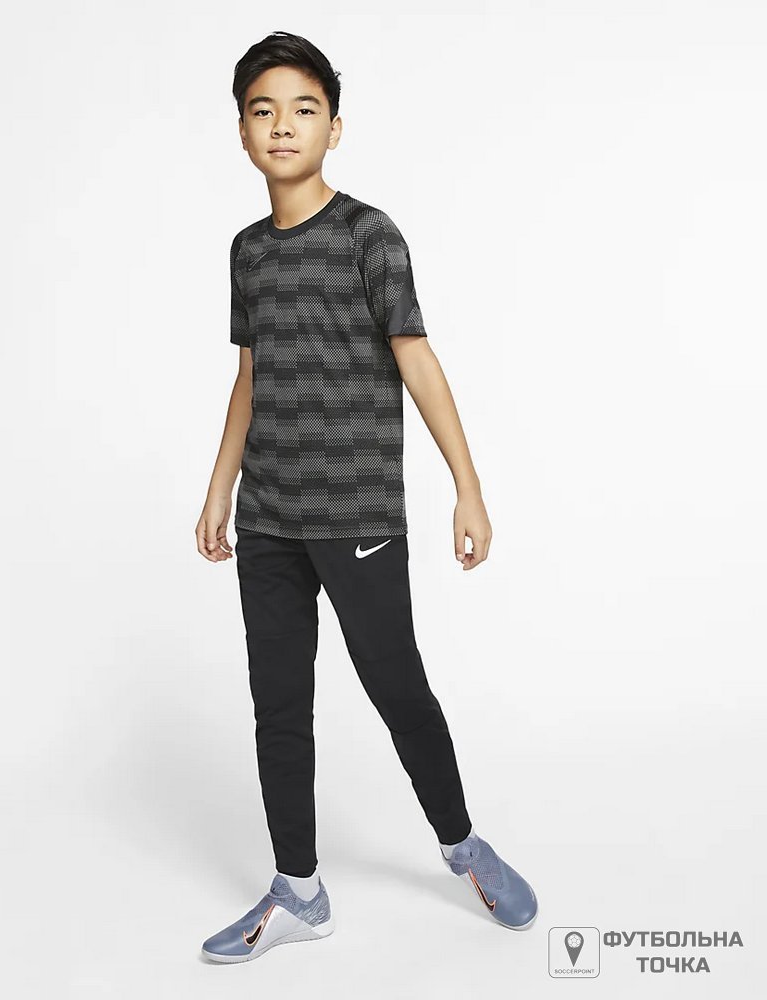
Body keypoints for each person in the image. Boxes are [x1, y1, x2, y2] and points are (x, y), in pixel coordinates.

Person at [195, 30, 538, 964]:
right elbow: (250, 376)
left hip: (359, 516)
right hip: (268, 519)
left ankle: (462, 846)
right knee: (278, 706)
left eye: (304, 109)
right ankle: (298, 892)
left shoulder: (368, 235)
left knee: (398, 688)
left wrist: (468, 486)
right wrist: (220, 489)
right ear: (242, 131)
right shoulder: (247, 251)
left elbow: (417, 361)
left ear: (334, 129)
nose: (282, 125)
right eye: (263, 110)